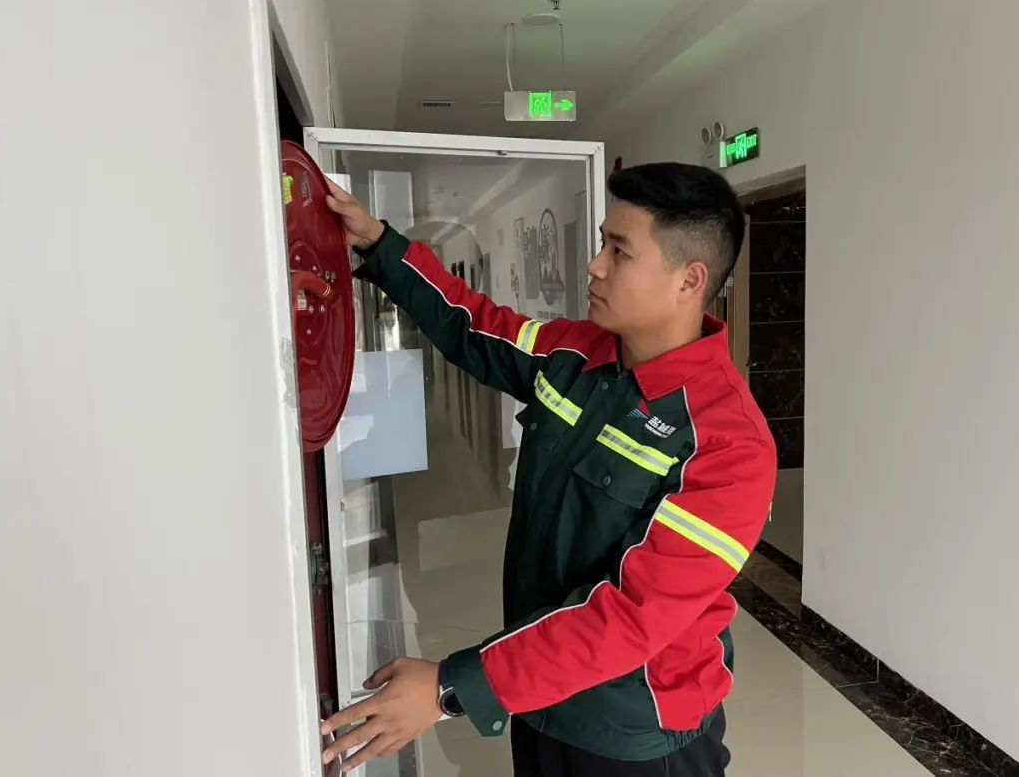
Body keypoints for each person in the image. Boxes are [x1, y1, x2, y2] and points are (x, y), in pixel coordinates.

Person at [320, 163, 776, 776]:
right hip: (536, 693)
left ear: (689, 279)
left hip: (634, 730)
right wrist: (379, 244)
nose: (594, 266)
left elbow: (631, 615)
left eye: (619, 251)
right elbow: (474, 325)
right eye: (602, 244)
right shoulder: (574, 352)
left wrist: (450, 688)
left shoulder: (728, 444)